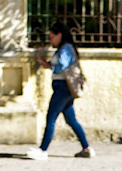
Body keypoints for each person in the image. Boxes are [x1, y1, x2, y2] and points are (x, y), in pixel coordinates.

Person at [27, 22, 94, 160]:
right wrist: (44, 62)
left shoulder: (66, 49)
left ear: (60, 35)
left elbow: (62, 66)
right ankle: (86, 148)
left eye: (52, 37)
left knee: (51, 117)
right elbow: (56, 66)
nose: (51, 40)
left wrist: (51, 66)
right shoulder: (63, 48)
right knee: (71, 120)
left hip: (63, 88)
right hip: (64, 88)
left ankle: (43, 150)